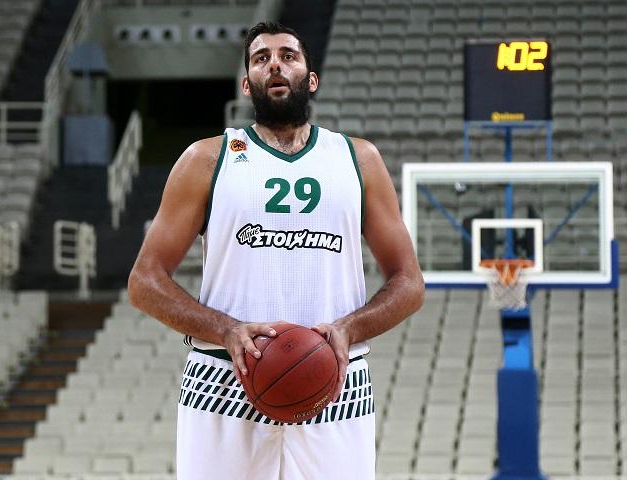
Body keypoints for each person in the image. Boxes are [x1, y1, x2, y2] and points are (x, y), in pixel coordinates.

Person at [128, 21, 424, 480]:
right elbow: (144, 282)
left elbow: (409, 283)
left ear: (311, 78)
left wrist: (349, 328)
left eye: (288, 56)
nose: (275, 65)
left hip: (336, 385)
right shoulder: (207, 159)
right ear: (247, 84)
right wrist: (226, 330)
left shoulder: (358, 160)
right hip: (223, 381)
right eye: (261, 58)